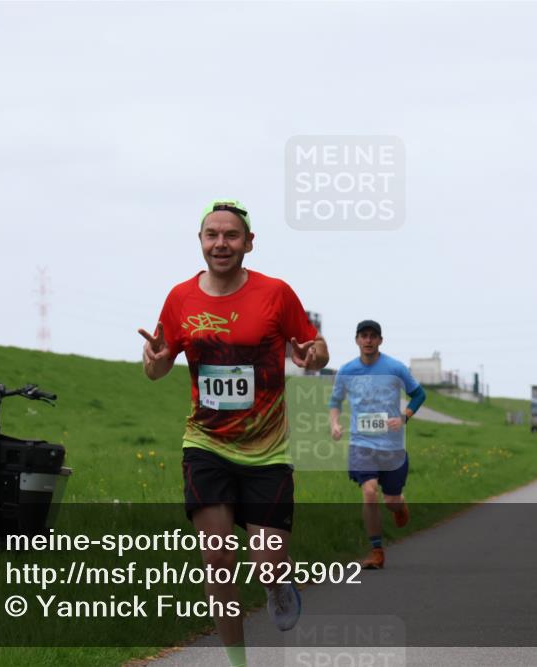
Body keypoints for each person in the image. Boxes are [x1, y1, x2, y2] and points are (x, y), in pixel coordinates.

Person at [138, 200, 328, 667]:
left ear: (249, 243)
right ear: (201, 241)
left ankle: (278, 585)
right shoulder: (181, 298)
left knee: (268, 561)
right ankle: (238, 661)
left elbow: (315, 347)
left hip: (267, 450)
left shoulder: (276, 293)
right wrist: (156, 361)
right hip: (206, 445)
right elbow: (158, 368)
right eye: (212, 235)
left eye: (231, 235)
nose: (221, 243)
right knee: (218, 560)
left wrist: (312, 357)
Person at [328, 320, 426, 570]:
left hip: (392, 445)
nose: (368, 340)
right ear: (357, 340)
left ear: (380, 340)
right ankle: (376, 551)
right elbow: (335, 401)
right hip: (362, 443)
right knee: (370, 492)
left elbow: (419, 394)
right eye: (364, 336)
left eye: (373, 336)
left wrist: (404, 417)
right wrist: (335, 424)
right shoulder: (347, 370)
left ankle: (399, 506)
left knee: (391, 501)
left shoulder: (395, 368)